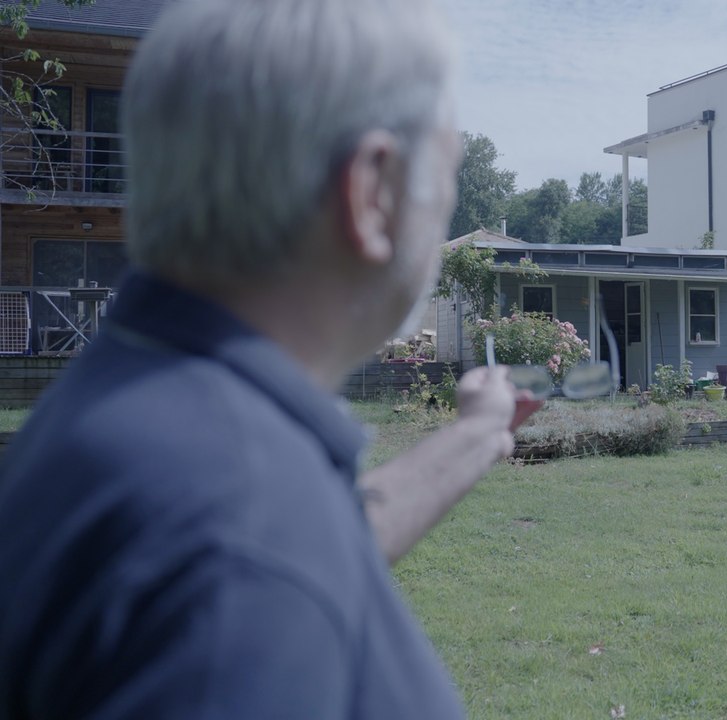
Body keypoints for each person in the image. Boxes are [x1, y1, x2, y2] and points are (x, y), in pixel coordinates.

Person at [0, 0, 538, 717]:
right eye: (447, 172)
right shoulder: (239, 556)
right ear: (372, 192)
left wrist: (477, 434)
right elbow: (259, 558)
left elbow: (322, 541)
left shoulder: (137, 414)